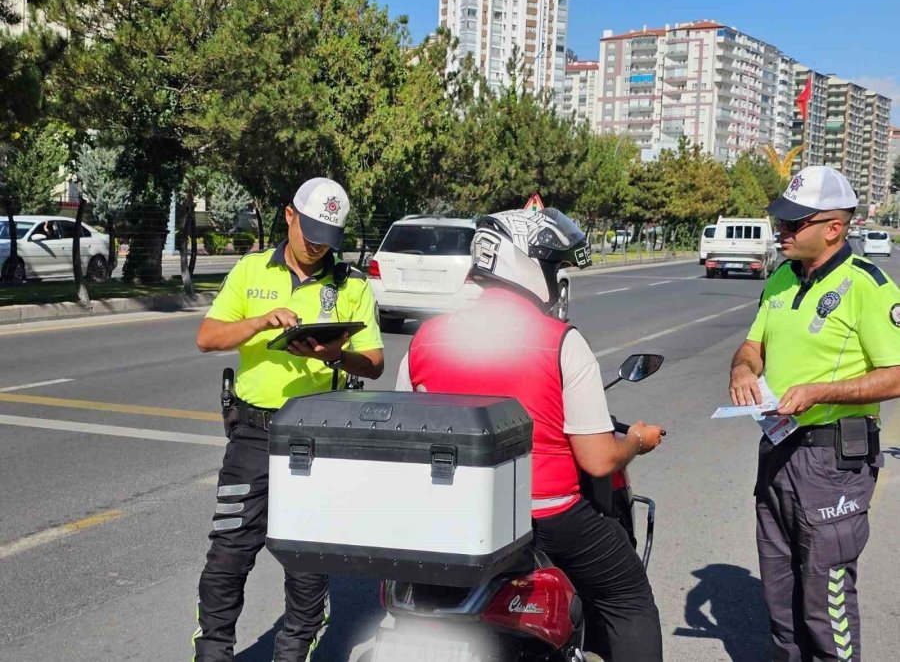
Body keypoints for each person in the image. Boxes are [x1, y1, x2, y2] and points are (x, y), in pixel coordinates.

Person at [396, 207, 665, 661]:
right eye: (552, 265)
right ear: (526, 265)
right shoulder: (560, 340)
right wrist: (637, 441)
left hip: (454, 517)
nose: (556, 276)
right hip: (547, 517)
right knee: (628, 600)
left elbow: (408, 429)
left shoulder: (425, 339)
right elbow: (597, 459)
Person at [192, 177, 385, 661]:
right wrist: (258, 322)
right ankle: (212, 652)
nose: (318, 244)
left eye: (329, 236)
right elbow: (208, 337)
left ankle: (292, 654)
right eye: (311, 230)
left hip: (319, 439)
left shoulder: (351, 284)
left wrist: (335, 355)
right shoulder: (250, 269)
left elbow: (375, 362)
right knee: (229, 554)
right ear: (289, 216)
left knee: (307, 561)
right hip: (253, 436)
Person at [729, 166, 900, 661]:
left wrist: (820, 390)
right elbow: (752, 345)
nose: (781, 231)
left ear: (833, 228)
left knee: (825, 603)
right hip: (778, 447)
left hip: (832, 462)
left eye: (793, 223)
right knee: (779, 595)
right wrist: (742, 369)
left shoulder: (868, 285)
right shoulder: (782, 277)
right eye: (781, 221)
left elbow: (895, 373)